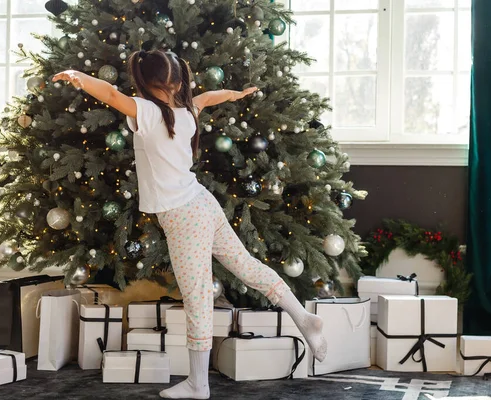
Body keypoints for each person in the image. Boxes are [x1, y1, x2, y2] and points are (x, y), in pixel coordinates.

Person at [53, 49, 327, 399]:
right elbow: (210, 97)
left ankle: (199, 384)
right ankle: (303, 317)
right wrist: (236, 94)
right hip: (202, 204)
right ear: (178, 82)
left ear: (143, 83)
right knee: (246, 266)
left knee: (197, 296)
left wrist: (78, 73)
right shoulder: (186, 112)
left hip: (183, 215)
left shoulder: (148, 112)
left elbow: (108, 94)